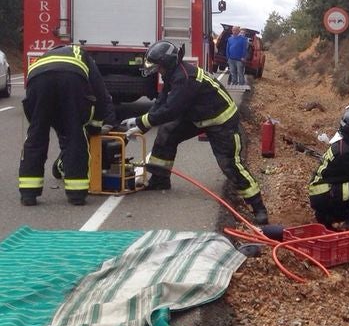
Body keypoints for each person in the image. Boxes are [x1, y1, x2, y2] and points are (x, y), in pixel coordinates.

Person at [121, 40, 269, 225]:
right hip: (197, 115)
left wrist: (141, 121)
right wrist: (145, 123)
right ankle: (160, 179)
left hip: (220, 120)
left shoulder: (184, 78)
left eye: (158, 67)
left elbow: (171, 110)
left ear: (166, 63)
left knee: (230, 164)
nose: (157, 71)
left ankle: (258, 208)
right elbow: (162, 101)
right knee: (167, 133)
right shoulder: (172, 74)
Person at [18, 44, 117, 206]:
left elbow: (31, 105)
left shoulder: (45, 57)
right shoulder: (83, 56)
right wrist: (95, 125)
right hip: (71, 79)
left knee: (36, 137)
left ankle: (28, 193)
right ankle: (76, 194)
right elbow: (99, 93)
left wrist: (38, 122)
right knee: (75, 136)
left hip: (38, 81)